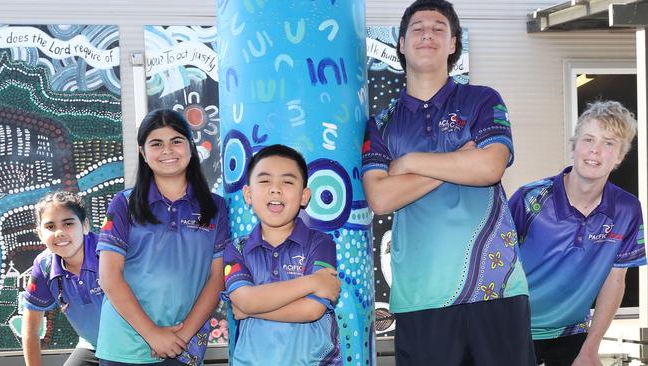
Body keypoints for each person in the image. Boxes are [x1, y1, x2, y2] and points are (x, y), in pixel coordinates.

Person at [361, 0, 535, 364]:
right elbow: (379, 196)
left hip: (496, 290)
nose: (428, 33)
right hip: (421, 297)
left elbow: (490, 167)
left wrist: (408, 163)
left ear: (454, 43)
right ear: (402, 43)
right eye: (418, 28)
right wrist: (459, 160)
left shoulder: (482, 99)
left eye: (439, 28)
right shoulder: (380, 123)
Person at [509, 100, 646, 366]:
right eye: (588, 139)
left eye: (609, 143)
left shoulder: (627, 209)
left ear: (620, 156)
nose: (595, 150)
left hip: (573, 333)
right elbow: (494, 264)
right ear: (574, 145)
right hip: (514, 329)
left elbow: (615, 281)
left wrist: (590, 349)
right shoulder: (530, 198)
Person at [96, 109, 229, 365]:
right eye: (156, 143)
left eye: (176, 141)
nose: (168, 150)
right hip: (125, 347)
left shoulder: (215, 208)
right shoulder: (124, 204)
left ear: (191, 148)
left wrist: (182, 336)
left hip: (184, 347)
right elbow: (109, 277)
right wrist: (153, 335)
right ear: (144, 153)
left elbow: (217, 279)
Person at [222, 144, 342, 365]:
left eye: (287, 181)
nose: (275, 189)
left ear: (304, 196)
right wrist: (312, 282)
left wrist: (251, 309)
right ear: (248, 194)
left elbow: (312, 309)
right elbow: (244, 300)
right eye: (265, 180)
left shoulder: (321, 243)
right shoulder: (236, 248)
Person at [22, 191, 102, 366]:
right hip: (94, 347)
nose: (59, 232)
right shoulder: (44, 266)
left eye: (68, 223)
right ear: (40, 234)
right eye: (50, 227)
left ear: (85, 225)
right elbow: (31, 327)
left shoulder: (110, 252)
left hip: (137, 345)